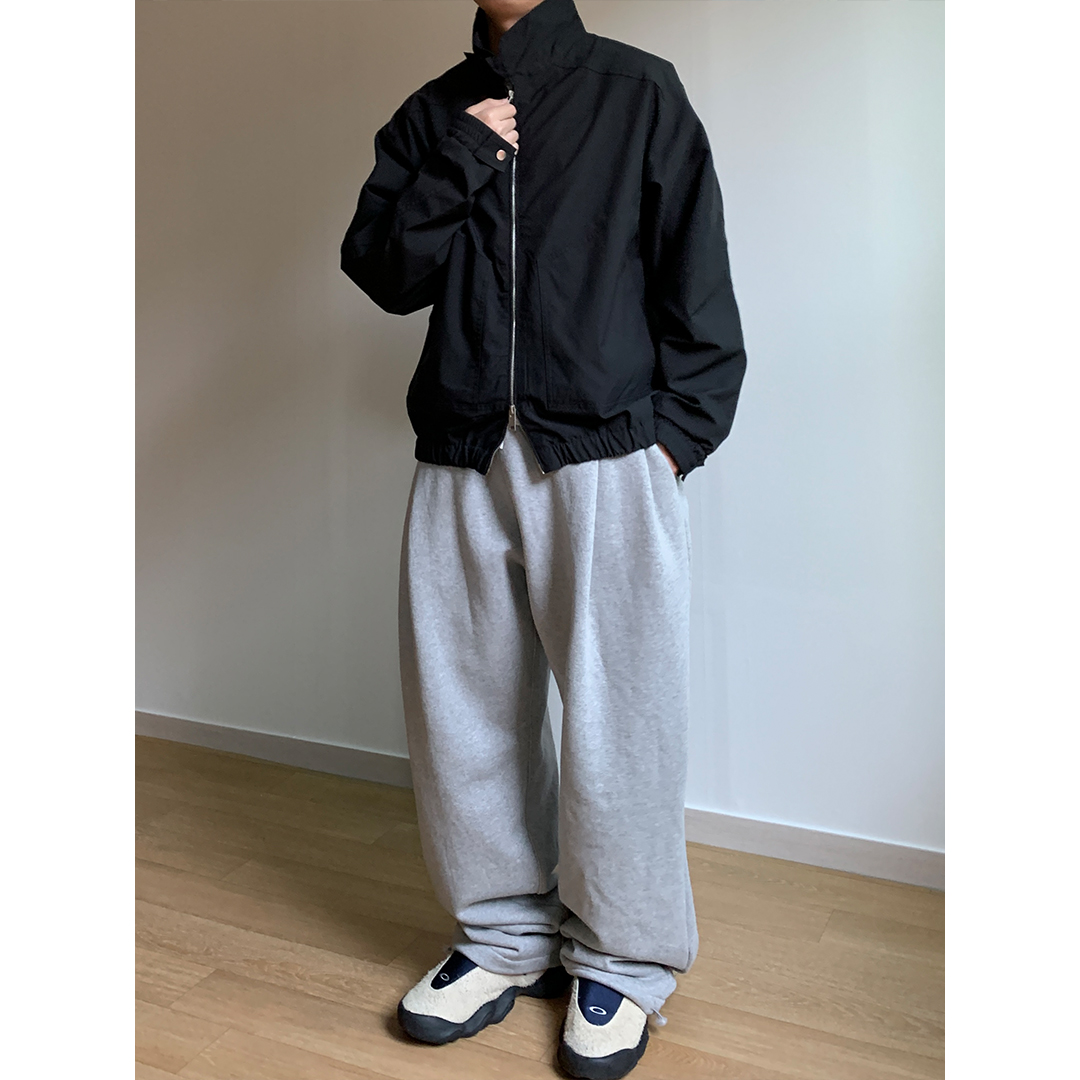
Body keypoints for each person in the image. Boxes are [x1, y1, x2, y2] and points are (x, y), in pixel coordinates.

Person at [340, 0, 745, 1075]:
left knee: (623, 720)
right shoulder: (435, 113)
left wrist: (677, 439)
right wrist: (463, 155)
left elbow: (696, 272)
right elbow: (382, 272)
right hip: (462, 450)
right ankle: (500, 935)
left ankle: (623, 958)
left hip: (607, 454)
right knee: (462, 714)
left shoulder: (636, 89)